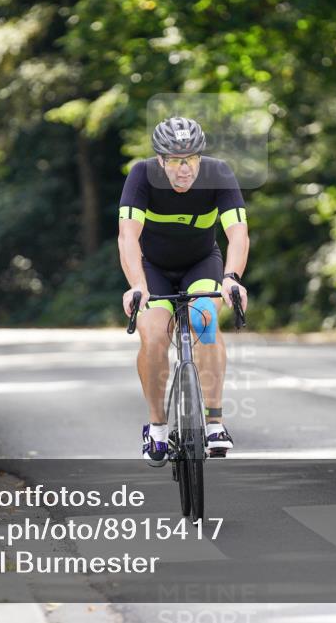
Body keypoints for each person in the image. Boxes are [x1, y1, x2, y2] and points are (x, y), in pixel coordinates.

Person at [117, 116, 250, 466]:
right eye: (175, 160)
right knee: (153, 335)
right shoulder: (141, 175)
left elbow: (237, 233)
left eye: (191, 159)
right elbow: (128, 236)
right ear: (160, 160)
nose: (184, 168)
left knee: (204, 319)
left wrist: (232, 277)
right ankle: (157, 427)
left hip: (201, 263)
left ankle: (215, 422)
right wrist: (137, 285)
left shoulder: (218, 173)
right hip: (153, 269)